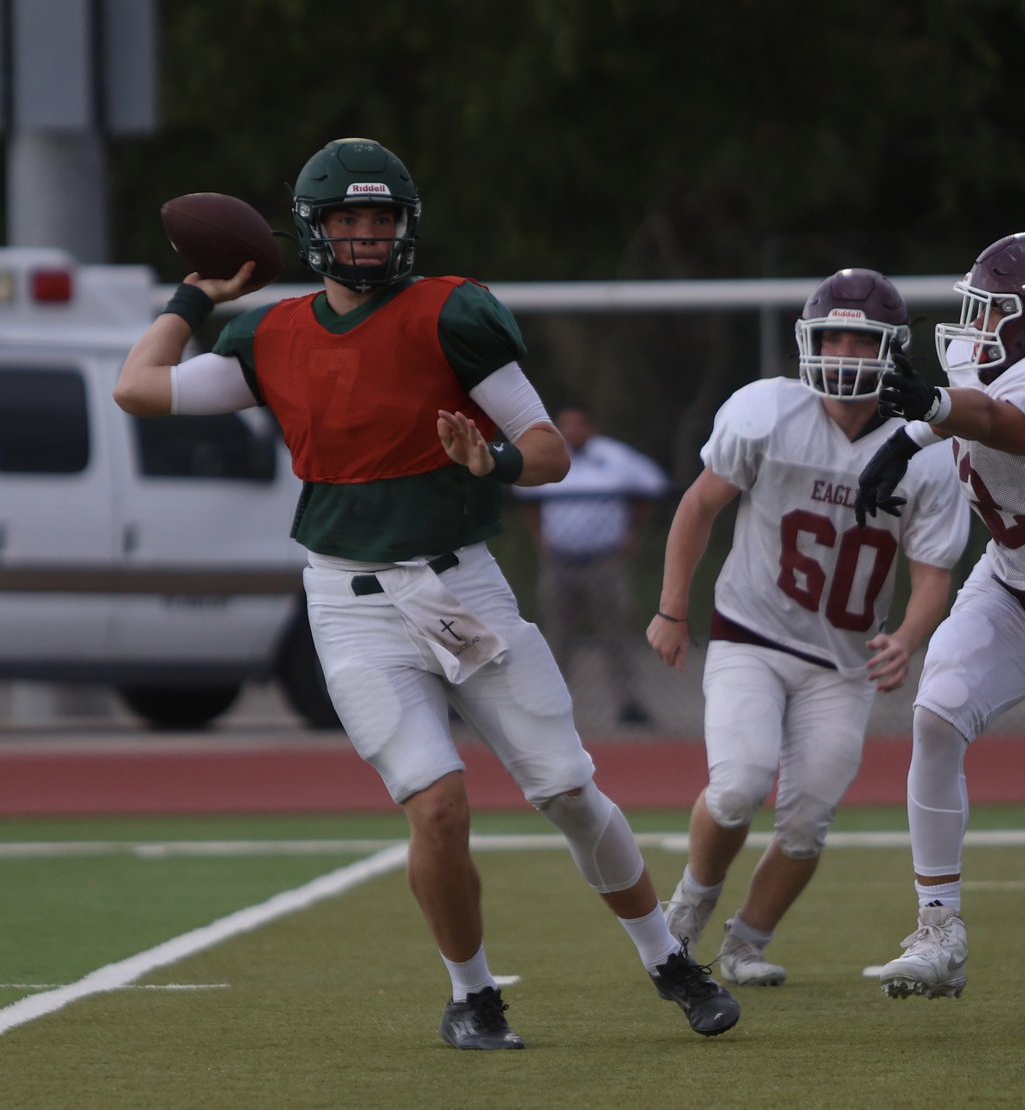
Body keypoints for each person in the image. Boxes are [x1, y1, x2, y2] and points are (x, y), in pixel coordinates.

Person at [113, 137, 739, 1046]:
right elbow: (137, 388)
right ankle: (472, 996)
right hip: (351, 605)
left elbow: (550, 452)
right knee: (437, 805)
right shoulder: (272, 334)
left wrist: (496, 461)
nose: (368, 235)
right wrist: (195, 296)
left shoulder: (452, 314)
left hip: (460, 588)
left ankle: (666, 958)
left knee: (567, 789)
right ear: (315, 229)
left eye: (382, 217)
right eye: (349, 219)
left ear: (405, 225)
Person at [646, 268, 969, 987]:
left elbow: (933, 575)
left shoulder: (928, 449)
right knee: (738, 786)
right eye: (834, 338)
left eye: (862, 340)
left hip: (843, 662)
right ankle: (690, 906)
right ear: (810, 342)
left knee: (807, 822)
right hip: (751, 635)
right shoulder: (767, 411)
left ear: (892, 350)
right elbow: (699, 507)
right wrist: (672, 608)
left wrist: (907, 638)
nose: (846, 353)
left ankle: (746, 944)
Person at [856, 231, 1025, 1000]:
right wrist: (911, 436)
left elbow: (999, 421)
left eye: (991, 311)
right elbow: (978, 409)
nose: (975, 326)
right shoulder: (994, 377)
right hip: (1011, 585)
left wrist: (930, 413)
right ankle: (939, 927)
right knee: (937, 716)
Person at [515, 405, 670, 725]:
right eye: (565, 425)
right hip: (560, 562)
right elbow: (524, 495)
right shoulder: (549, 456)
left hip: (604, 562)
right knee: (557, 635)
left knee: (616, 634)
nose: (572, 431)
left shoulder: (615, 457)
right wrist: (540, 536)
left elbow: (653, 486)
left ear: (590, 428)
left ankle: (629, 703)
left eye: (578, 425)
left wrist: (632, 530)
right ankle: (551, 705)